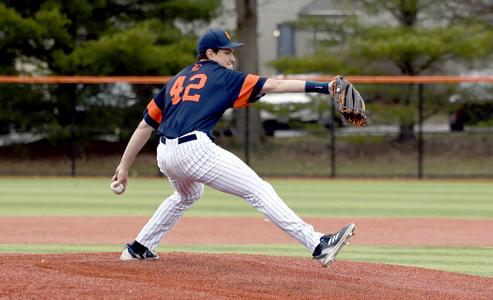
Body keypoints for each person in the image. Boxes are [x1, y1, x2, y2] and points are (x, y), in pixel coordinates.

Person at [112, 28, 355, 267]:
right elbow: (274, 86)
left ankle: (139, 247)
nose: (232, 57)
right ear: (210, 54)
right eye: (226, 52)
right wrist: (324, 87)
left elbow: (145, 126)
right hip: (194, 150)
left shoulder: (178, 79)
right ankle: (318, 244)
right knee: (259, 190)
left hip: (164, 153)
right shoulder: (223, 76)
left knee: (188, 194)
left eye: (233, 52)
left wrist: (123, 167)